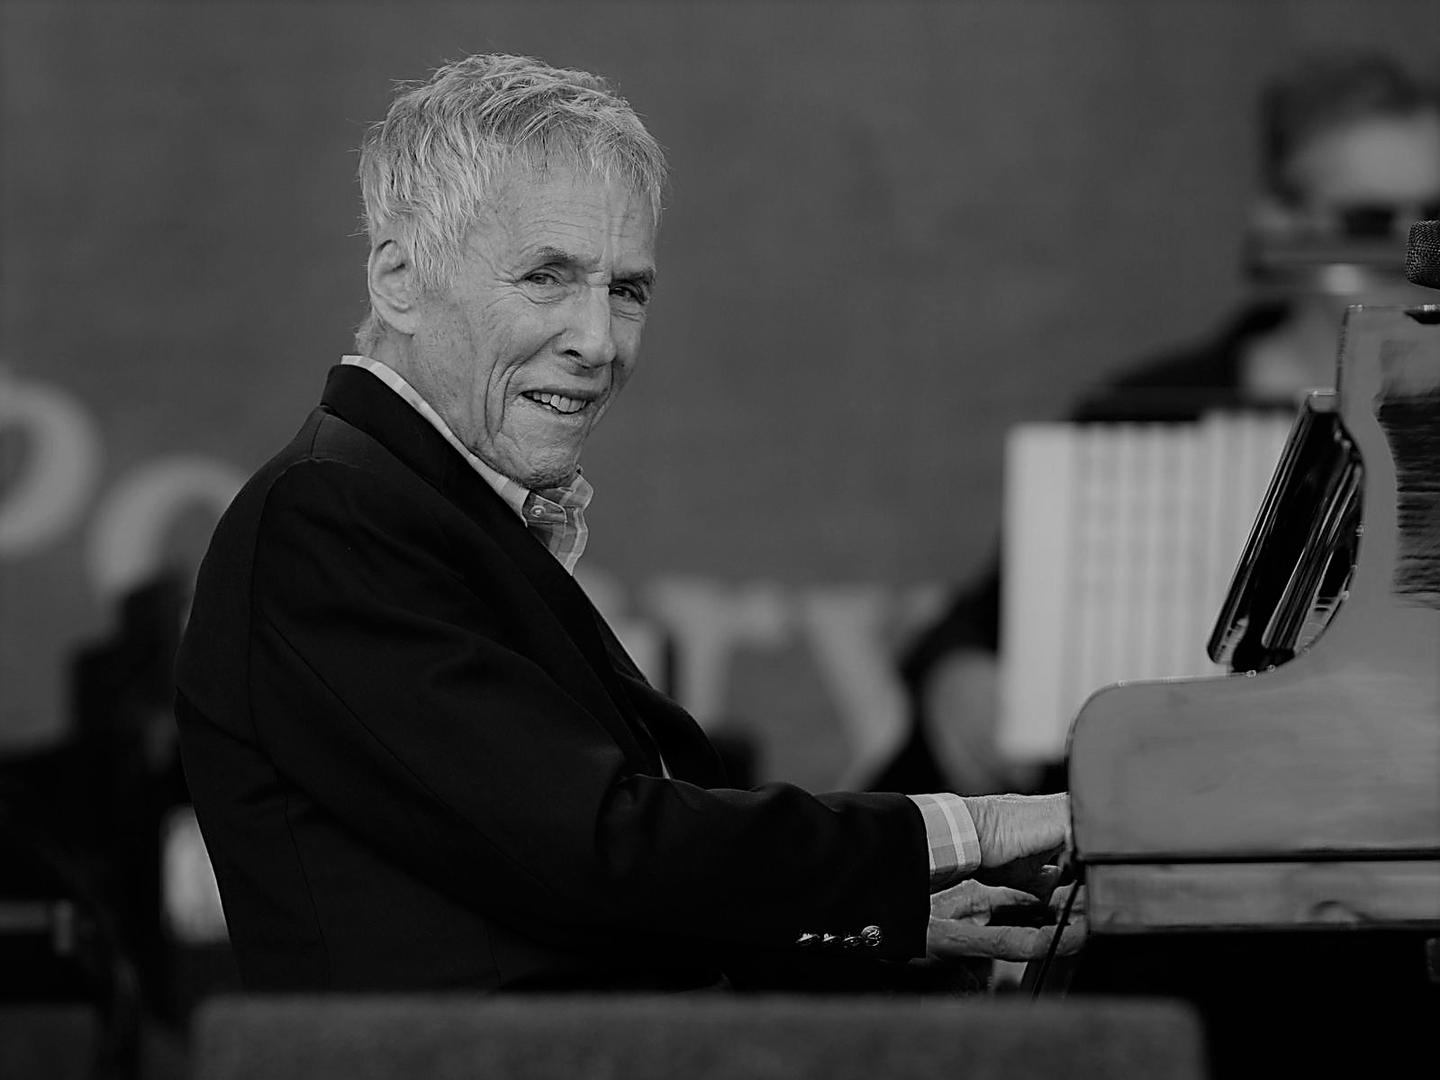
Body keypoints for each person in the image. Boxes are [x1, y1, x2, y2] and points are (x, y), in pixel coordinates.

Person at [174, 54, 1080, 995]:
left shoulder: (417, 507)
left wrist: (887, 923)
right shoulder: (331, 513)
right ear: (400, 279)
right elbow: (597, 849)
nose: (598, 341)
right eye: (546, 277)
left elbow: (590, 896)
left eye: (627, 291)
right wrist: (968, 830)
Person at [871, 49, 1440, 799]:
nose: (1410, 250)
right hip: (1159, 807)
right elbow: (991, 618)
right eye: (1368, 221)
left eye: (1433, 216)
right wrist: (958, 673)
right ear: (1281, 220)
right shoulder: (1150, 410)